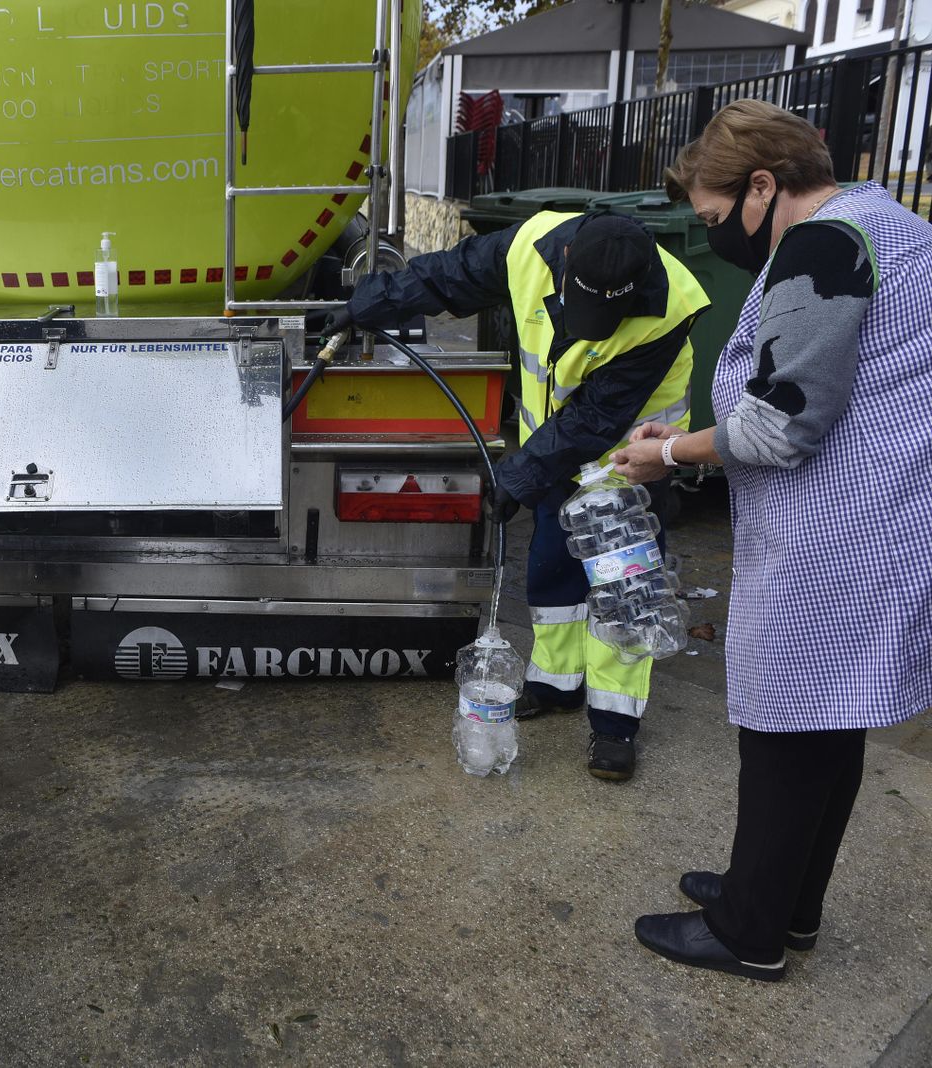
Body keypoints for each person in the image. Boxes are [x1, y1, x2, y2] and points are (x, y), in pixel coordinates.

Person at [616, 99, 932, 981]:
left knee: (787, 725)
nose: (718, 235)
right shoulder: (893, 222)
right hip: (884, 516)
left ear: (764, 185)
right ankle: (784, 902)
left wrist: (667, 452)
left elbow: (780, 426)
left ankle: (747, 932)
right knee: (830, 728)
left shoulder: (823, 245)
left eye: (718, 217)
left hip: (833, 532)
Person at [330, 211, 708, 781]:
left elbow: (594, 418)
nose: (593, 328)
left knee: (621, 594)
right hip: (551, 449)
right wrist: (365, 305)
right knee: (552, 572)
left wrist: (520, 474)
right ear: (562, 266)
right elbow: (444, 277)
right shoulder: (529, 245)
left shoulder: (670, 307)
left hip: (628, 468)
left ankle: (614, 726)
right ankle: (556, 685)